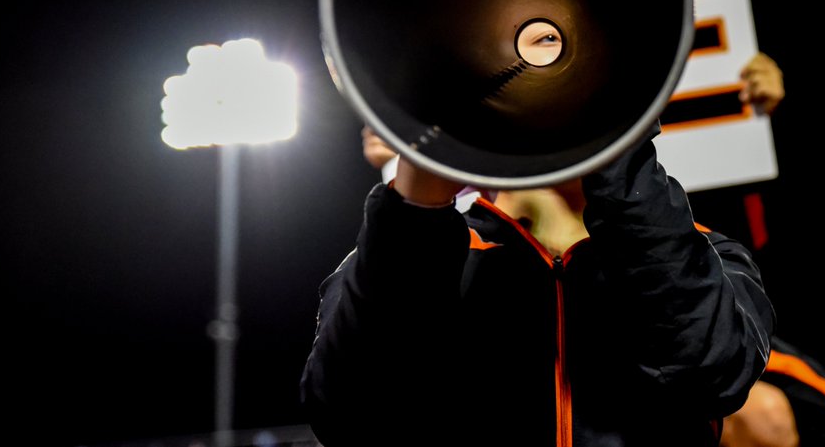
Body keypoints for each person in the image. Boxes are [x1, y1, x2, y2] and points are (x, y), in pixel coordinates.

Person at [348, 53, 825, 447]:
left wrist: (620, 133)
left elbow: (719, 360)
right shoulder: (459, 246)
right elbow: (355, 402)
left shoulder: (684, 235)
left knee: (761, 415)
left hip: (665, 316)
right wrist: (413, 173)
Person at [301, 72, 777, 445]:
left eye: (552, 40)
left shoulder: (710, 253)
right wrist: (419, 191)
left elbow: (713, 374)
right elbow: (348, 417)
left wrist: (620, 147)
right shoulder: (399, 249)